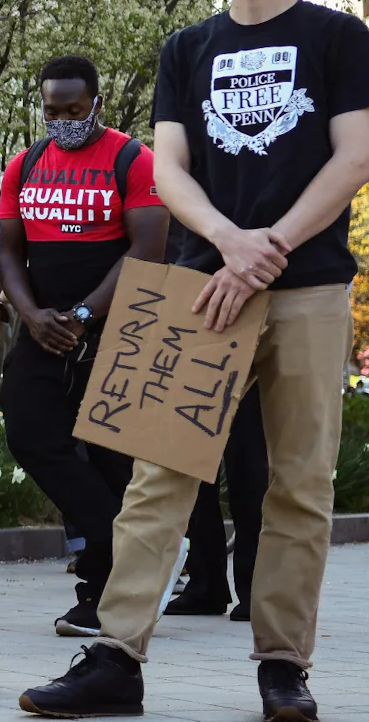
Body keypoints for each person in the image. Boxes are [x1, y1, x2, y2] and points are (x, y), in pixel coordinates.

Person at [20, 0, 369, 720]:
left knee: (297, 483)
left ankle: (283, 666)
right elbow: (169, 168)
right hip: (196, 285)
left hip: (309, 286)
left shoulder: (338, 36)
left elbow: (354, 155)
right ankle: (116, 661)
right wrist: (228, 242)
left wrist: (270, 247)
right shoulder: (187, 49)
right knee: (156, 479)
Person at [0, 54, 170, 637]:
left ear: (97, 102)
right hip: (43, 325)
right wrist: (32, 315)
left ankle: (103, 590)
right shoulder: (25, 164)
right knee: (27, 430)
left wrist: (87, 313)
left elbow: (147, 248)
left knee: (114, 457)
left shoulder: (132, 158)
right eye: (51, 110)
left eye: (74, 109)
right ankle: (126, 553)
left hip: (115, 324)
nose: (63, 119)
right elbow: (7, 252)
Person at [164, 221, 268, 622]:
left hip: (247, 313)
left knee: (248, 465)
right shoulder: (169, 177)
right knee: (188, 465)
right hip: (183, 315)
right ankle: (207, 585)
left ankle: (255, 589)